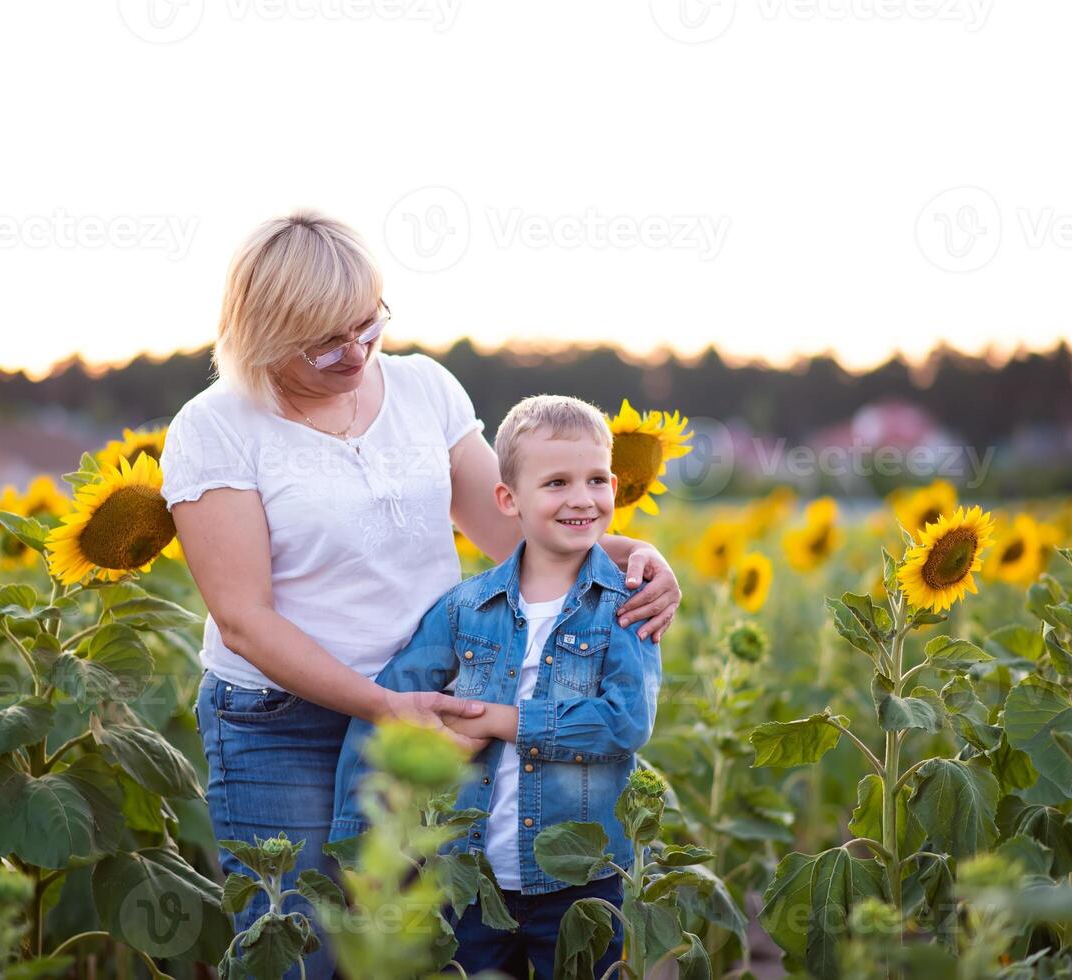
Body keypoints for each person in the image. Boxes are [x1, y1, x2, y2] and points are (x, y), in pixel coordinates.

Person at [159, 210, 684, 979]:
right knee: (303, 944)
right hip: (283, 724)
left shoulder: (421, 388)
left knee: (424, 943)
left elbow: (511, 535)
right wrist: (384, 707)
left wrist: (638, 556)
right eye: (326, 342)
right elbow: (244, 619)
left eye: (368, 326)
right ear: (263, 333)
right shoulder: (216, 429)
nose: (356, 354)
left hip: (435, 707)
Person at [329, 394, 662, 979]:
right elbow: (387, 710)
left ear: (613, 484)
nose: (581, 499)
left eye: (594, 481)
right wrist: (362, 850)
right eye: (556, 482)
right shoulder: (464, 608)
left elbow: (625, 723)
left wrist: (500, 720)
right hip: (471, 878)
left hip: (580, 880)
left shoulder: (628, 607)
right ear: (508, 498)